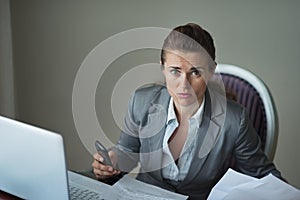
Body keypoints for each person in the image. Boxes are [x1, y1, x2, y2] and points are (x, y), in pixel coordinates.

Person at [92, 23, 283, 199]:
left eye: (195, 72)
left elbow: (264, 176)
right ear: (163, 68)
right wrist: (113, 162)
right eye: (175, 71)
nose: (185, 85)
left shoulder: (233, 120)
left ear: (210, 72)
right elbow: (127, 152)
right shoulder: (141, 101)